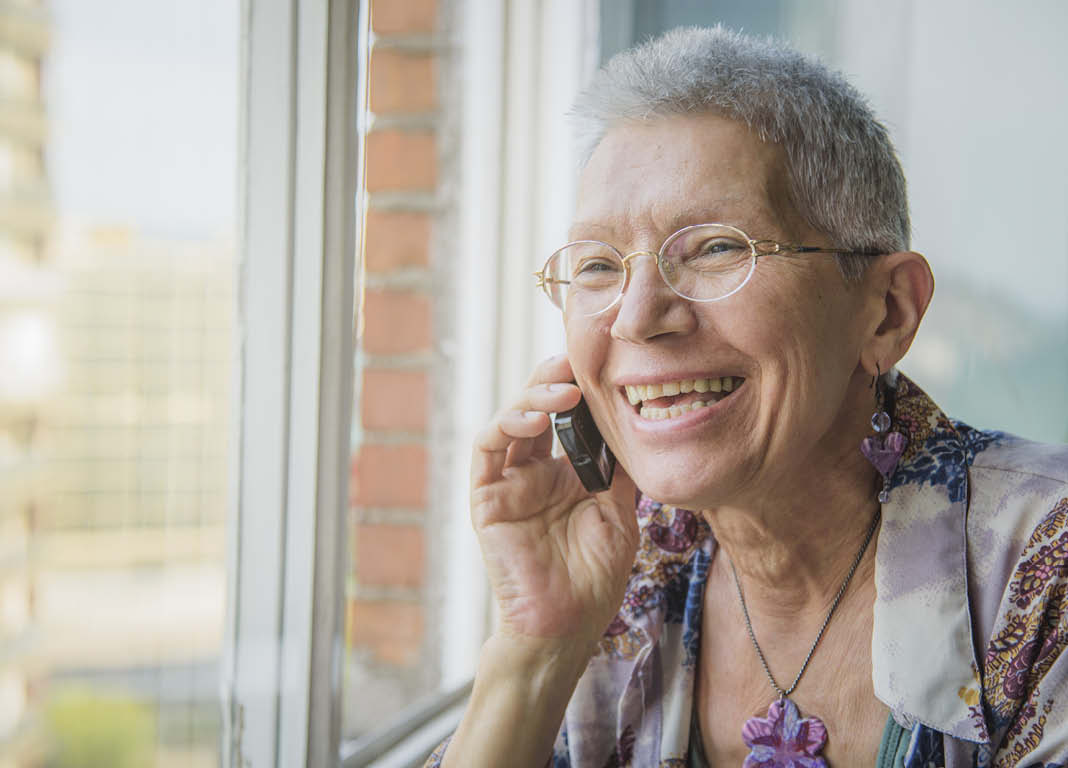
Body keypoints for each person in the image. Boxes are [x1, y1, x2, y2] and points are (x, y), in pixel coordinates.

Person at [427, 26, 1068, 768]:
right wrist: (535, 647)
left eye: (716, 248)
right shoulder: (623, 578)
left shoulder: (1044, 569)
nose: (637, 316)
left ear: (888, 311)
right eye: (598, 265)